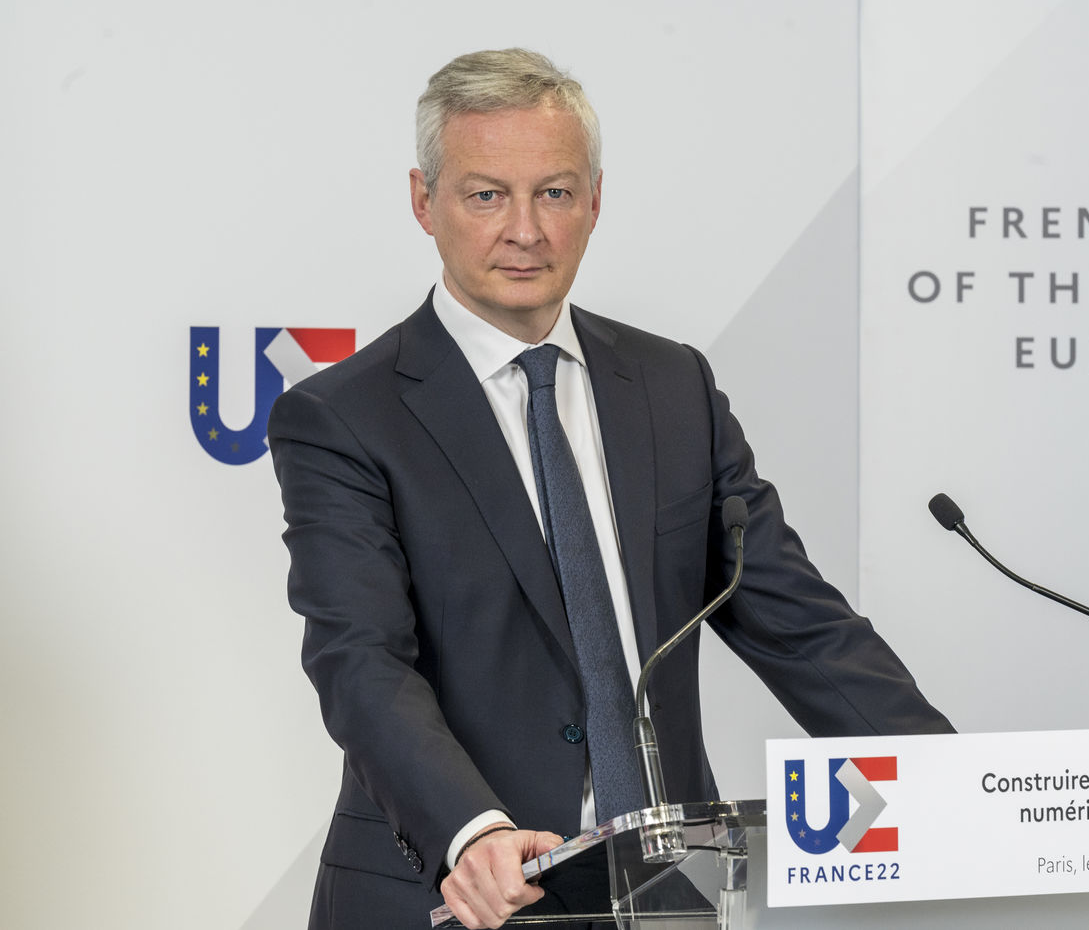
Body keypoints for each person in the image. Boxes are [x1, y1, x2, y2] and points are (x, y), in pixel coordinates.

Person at [268, 47, 955, 930]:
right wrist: (472, 830)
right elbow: (361, 661)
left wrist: (955, 786)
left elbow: (799, 623)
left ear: (595, 200)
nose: (526, 230)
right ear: (423, 201)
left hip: (670, 892)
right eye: (487, 195)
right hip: (463, 895)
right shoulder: (344, 416)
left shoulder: (672, 387)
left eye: (554, 192)